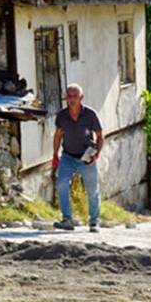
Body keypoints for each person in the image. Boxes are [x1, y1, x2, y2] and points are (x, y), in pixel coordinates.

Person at [51, 83, 104, 233]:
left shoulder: (90, 115)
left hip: (86, 157)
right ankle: (67, 219)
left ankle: (94, 221)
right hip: (67, 156)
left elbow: (100, 136)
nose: (72, 99)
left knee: (92, 190)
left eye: (75, 96)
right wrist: (55, 155)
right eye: (69, 96)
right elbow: (58, 135)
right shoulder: (62, 115)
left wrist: (97, 154)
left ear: (81, 98)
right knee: (61, 184)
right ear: (65, 98)